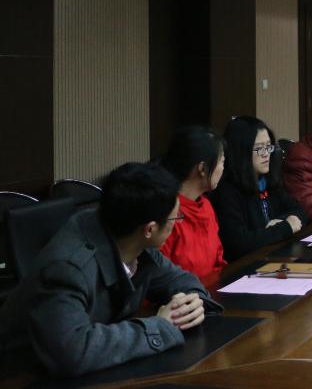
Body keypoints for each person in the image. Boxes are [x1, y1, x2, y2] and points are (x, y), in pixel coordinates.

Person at [0, 162, 222, 377]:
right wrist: (160, 326)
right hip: (23, 374)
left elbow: (178, 279)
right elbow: (72, 351)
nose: (178, 223)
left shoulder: (131, 237)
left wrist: (192, 303)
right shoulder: (68, 268)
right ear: (150, 229)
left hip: (96, 370)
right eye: (176, 217)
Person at [211, 116, 307, 261]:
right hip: (244, 265)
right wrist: (284, 227)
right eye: (259, 148)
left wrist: (280, 223)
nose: (266, 154)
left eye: (268, 146)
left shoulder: (268, 180)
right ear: (240, 151)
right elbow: (239, 242)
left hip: (273, 256)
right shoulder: (227, 191)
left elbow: (300, 211)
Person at [157, 126, 228, 281]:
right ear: (202, 168)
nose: (223, 168)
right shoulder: (167, 212)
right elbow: (159, 275)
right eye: (222, 162)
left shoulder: (206, 206)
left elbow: (218, 261)